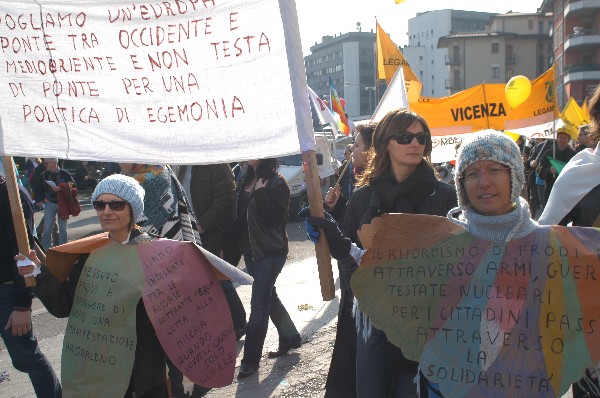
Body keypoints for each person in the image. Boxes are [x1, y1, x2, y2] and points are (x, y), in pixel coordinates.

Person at [306, 109, 457, 397]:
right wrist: (328, 232)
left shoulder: (444, 196)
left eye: (421, 137)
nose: (415, 143)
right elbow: (348, 254)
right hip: (372, 325)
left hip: (427, 327)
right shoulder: (364, 196)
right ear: (386, 142)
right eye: (405, 137)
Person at [15, 174, 169, 397]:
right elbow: (64, 305)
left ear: (133, 209)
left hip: (145, 372)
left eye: (116, 204)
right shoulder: (89, 253)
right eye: (100, 204)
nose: (107, 211)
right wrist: (37, 273)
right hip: (101, 371)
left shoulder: (156, 251)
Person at [174, 163, 247, 397]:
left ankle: (236, 321)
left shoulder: (215, 164)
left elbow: (226, 200)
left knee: (216, 279)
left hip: (210, 235)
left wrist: (202, 224)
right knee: (210, 281)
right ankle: (235, 322)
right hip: (188, 236)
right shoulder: (182, 166)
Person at [230, 158, 301, 378]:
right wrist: (227, 246)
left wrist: (261, 195)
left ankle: (250, 360)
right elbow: (240, 218)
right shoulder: (245, 178)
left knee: (258, 303)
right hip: (251, 251)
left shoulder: (276, 183)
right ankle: (290, 336)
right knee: (268, 295)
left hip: (271, 252)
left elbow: (277, 219)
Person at [0, 173, 62, 398]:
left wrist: (22, 305)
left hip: (7, 292)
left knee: (26, 357)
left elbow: (24, 252)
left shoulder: (11, 195)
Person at [33, 158, 75, 250]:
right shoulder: (44, 175)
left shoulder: (65, 173)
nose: (45, 165)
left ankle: (63, 248)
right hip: (50, 203)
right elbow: (39, 188)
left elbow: (73, 186)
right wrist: (42, 199)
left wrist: (60, 188)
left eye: (47, 163)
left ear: (53, 163)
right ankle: (45, 249)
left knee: (63, 228)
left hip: (62, 204)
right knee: (47, 227)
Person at [536, 127, 576, 206]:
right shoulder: (548, 153)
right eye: (560, 137)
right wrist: (549, 171)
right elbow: (540, 173)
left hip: (567, 191)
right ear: (557, 138)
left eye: (565, 138)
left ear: (568, 140)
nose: (562, 140)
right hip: (551, 190)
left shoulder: (574, 154)